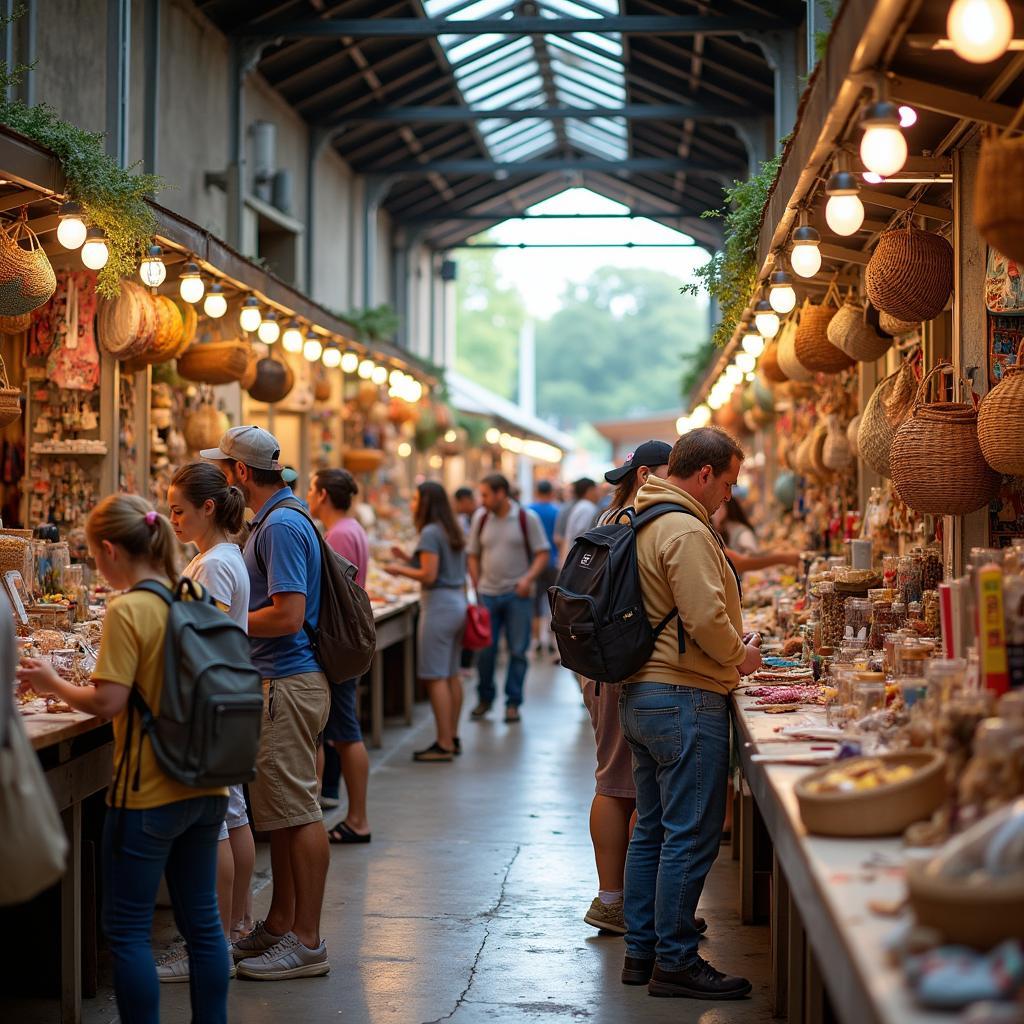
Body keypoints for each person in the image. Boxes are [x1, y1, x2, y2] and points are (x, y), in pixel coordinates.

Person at [17, 495, 230, 1022]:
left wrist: (52, 682)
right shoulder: (196, 596)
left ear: (110, 551)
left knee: (130, 932)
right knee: (203, 923)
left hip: (151, 790)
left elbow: (108, 703)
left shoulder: (129, 609)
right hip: (208, 783)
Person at [619, 427, 761, 1000]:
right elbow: (703, 619)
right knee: (689, 834)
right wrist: (741, 656)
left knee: (652, 830)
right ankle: (675, 960)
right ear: (704, 474)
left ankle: (641, 951)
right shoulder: (684, 528)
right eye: (726, 483)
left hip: (644, 694)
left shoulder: (642, 517)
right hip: (684, 696)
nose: (727, 496)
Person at [201, 426, 330, 981]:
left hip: (287, 681)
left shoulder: (277, 526)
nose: (221, 477)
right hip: (280, 682)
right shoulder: (278, 517)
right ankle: (279, 925)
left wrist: (222, 621)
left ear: (242, 474)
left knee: (297, 812)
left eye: (224, 468)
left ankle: (307, 939)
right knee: (279, 811)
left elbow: (289, 614)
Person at [157, 463, 255, 983]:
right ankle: (234, 926)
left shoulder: (214, 565)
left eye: (178, 510)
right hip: (227, 698)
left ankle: (208, 942)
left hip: (209, 703)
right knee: (233, 815)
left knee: (214, 824)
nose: (172, 519)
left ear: (208, 508)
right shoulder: (221, 557)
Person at [580, 441, 672, 936]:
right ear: (644, 477)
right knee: (619, 784)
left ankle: (631, 899)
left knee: (619, 781)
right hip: (622, 668)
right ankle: (613, 901)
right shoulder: (639, 526)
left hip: (602, 668)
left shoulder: (607, 522)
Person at [306, 468, 372, 843]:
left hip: (338, 642)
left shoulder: (340, 534)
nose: (310, 495)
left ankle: (358, 818)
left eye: (313, 489)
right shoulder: (352, 528)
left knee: (345, 733)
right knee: (342, 732)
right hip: (345, 640)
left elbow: (333, 594)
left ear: (325, 494)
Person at [385, 481, 468, 762]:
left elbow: (430, 575)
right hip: (457, 603)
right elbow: (438, 566)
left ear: (426, 502)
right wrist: (409, 559)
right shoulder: (450, 527)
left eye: (416, 498)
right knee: (451, 674)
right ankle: (452, 737)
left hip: (439, 607)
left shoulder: (431, 531)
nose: (412, 504)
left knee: (434, 676)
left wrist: (398, 569)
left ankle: (443, 743)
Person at [467, 473, 551, 724]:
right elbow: (472, 554)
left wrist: (528, 579)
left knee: (517, 651)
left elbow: (542, 553)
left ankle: (513, 703)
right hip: (488, 595)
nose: (481, 501)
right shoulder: (480, 519)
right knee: (485, 652)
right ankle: (485, 698)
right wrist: (476, 582)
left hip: (518, 595)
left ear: (500, 493)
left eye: (485, 495)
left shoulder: (527, 518)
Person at [712, 496, 802, 572]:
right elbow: (738, 562)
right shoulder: (710, 533)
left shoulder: (735, 531)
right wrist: (783, 558)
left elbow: (746, 558)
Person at [527, 479, 560, 655]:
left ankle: (536, 641)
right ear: (550, 493)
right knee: (554, 604)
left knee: (535, 604)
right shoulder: (557, 510)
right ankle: (554, 644)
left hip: (534, 563)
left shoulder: (528, 510)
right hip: (553, 562)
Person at [560, 477, 599, 563]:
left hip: (574, 557)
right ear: (590, 490)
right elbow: (581, 535)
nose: (598, 493)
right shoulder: (587, 508)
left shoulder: (582, 506)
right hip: (578, 558)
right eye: (596, 489)